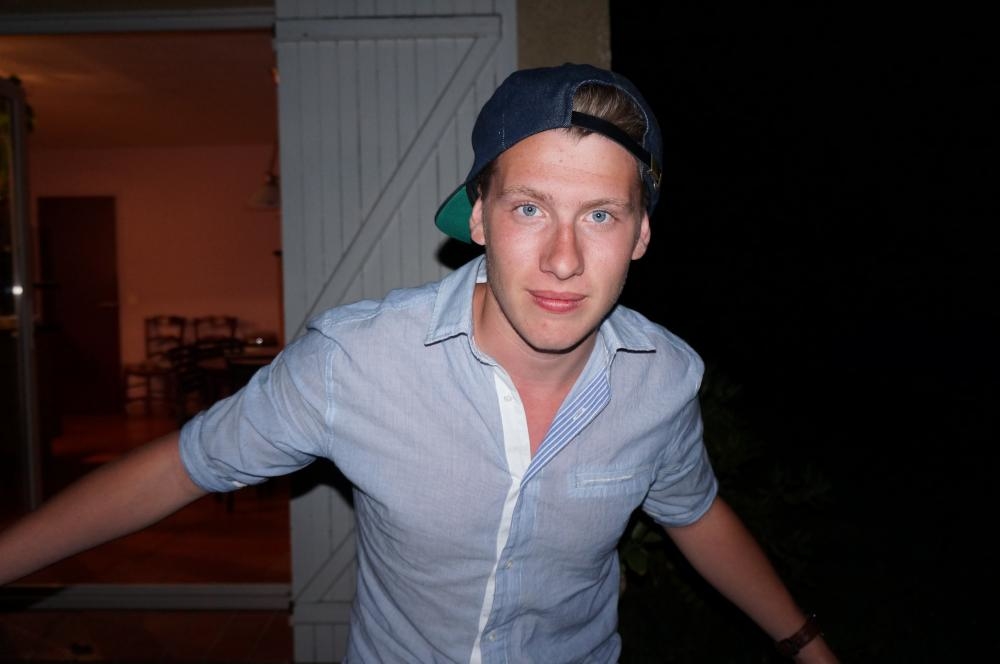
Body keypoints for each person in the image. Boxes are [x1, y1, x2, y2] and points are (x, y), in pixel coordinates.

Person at [0, 63, 838, 663]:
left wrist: (806, 644)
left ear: (641, 234)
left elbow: (694, 512)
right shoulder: (357, 361)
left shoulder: (664, 379)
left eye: (600, 216)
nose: (562, 259)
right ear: (477, 219)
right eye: (529, 208)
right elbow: (185, 465)